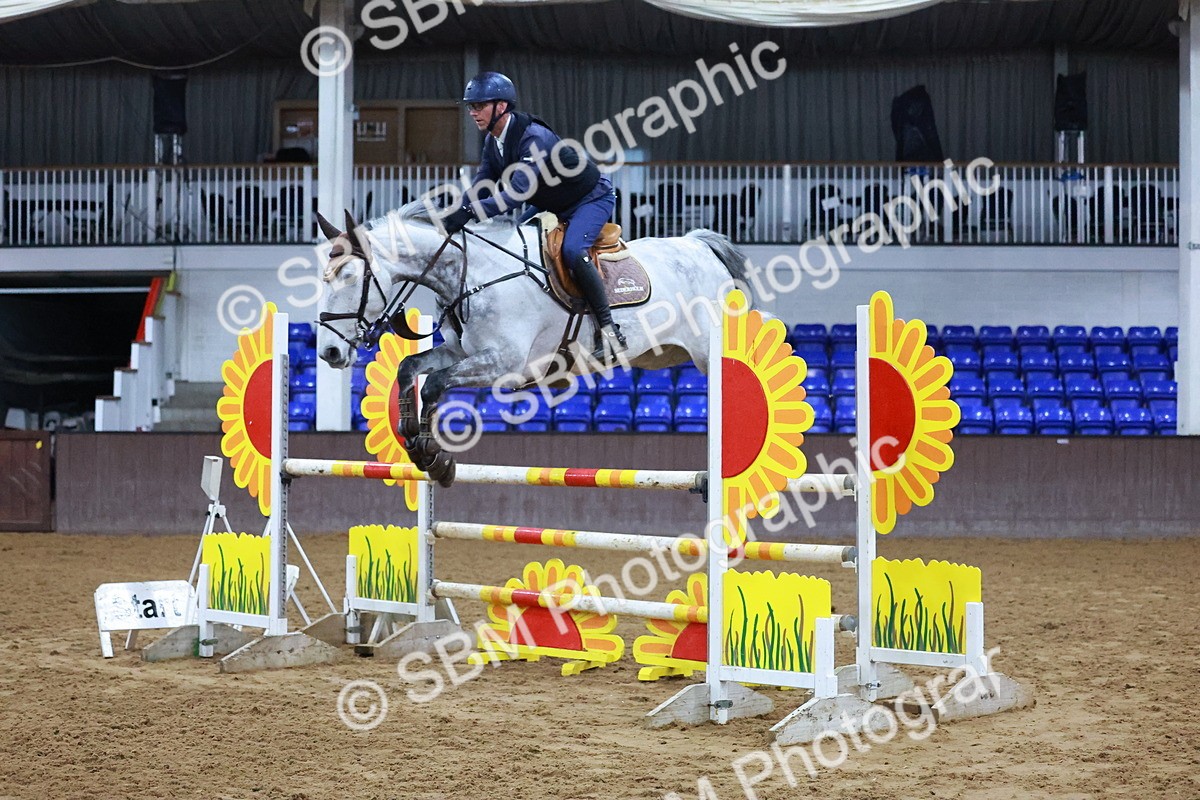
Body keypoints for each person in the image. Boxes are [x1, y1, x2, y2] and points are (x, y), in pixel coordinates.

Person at [441, 71, 626, 363]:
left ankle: (610, 330)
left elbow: (515, 195)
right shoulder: (493, 141)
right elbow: (482, 184)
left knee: (573, 251)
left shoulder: (534, 138)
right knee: (517, 243)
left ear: (501, 107)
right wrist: (456, 210)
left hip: (590, 197)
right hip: (552, 202)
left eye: (479, 106)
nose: (472, 112)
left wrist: (469, 212)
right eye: (470, 107)